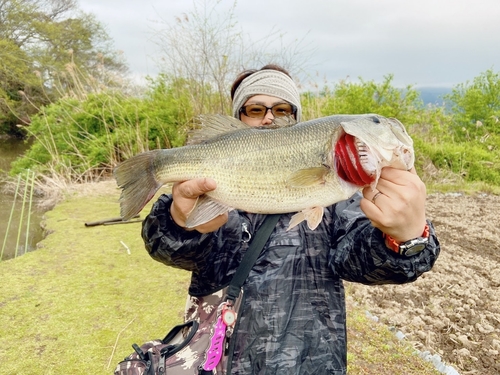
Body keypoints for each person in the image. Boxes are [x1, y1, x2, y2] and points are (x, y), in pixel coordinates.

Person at [141, 64, 440, 374]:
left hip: (309, 362)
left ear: (298, 119)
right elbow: (164, 245)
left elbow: (363, 259)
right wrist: (179, 220)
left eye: (282, 109)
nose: (269, 117)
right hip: (220, 359)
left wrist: (407, 238)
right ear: (237, 118)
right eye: (255, 109)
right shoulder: (204, 189)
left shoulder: (340, 197)